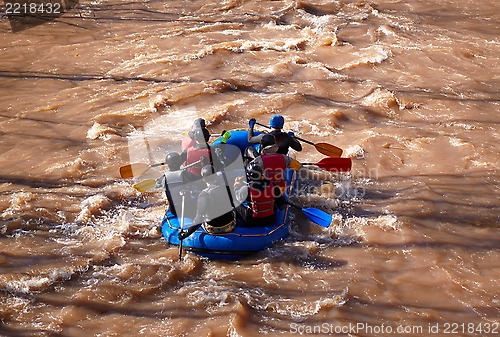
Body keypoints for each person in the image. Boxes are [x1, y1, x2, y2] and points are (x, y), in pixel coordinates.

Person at [178, 165, 237, 239]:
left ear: (204, 179)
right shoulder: (227, 188)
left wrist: (186, 234)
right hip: (230, 225)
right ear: (216, 175)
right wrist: (191, 192)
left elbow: (198, 219)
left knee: (198, 214)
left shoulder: (204, 195)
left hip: (214, 228)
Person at [235, 161, 286, 227]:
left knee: (235, 203)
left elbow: (237, 197)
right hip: (270, 219)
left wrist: (237, 184)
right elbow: (282, 206)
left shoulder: (246, 189)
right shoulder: (273, 185)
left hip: (253, 221)